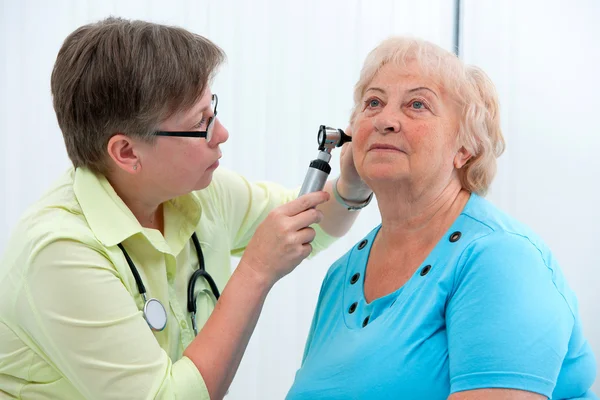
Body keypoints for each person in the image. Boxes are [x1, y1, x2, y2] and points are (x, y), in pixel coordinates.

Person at [0, 17, 374, 400]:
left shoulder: (194, 193)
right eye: (201, 123)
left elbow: (309, 224)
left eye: (212, 109)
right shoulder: (59, 254)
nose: (222, 133)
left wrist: (351, 185)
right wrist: (256, 271)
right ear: (127, 152)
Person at [286, 36, 598, 400]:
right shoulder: (341, 275)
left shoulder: (500, 259)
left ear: (465, 147)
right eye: (373, 102)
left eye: (417, 104)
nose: (386, 119)